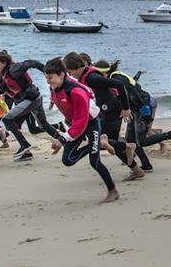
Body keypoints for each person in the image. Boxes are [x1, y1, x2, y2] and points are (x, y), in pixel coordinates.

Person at [44, 57, 119, 203]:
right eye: (46, 78)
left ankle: (113, 191)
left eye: (50, 78)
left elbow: (81, 122)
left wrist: (62, 139)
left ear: (61, 75)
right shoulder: (55, 85)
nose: (48, 82)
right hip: (76, 124)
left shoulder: (76, 91)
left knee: (94, 161)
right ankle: (99, 144)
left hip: (90, 123)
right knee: (68, 160)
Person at [63, 53, 146, 181]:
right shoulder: (83, 76)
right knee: (109, 143)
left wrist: (126, 108)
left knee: (104, 142)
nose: (69, 75)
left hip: (113, 111)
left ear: (75, 67)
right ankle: (136, 168)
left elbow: (119, 84)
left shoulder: (92, 78)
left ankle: (128, 148)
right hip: (106, 111)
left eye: (69, 71)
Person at [0, 50, 62, 161]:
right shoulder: (3, 77)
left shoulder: (14, 69)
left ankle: (25, 145)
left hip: (31, 98)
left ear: (4, 62)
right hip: (35, 97)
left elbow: (31, 62)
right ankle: (62, 140)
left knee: (7, 119)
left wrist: (46, 72)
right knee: (42, 126)